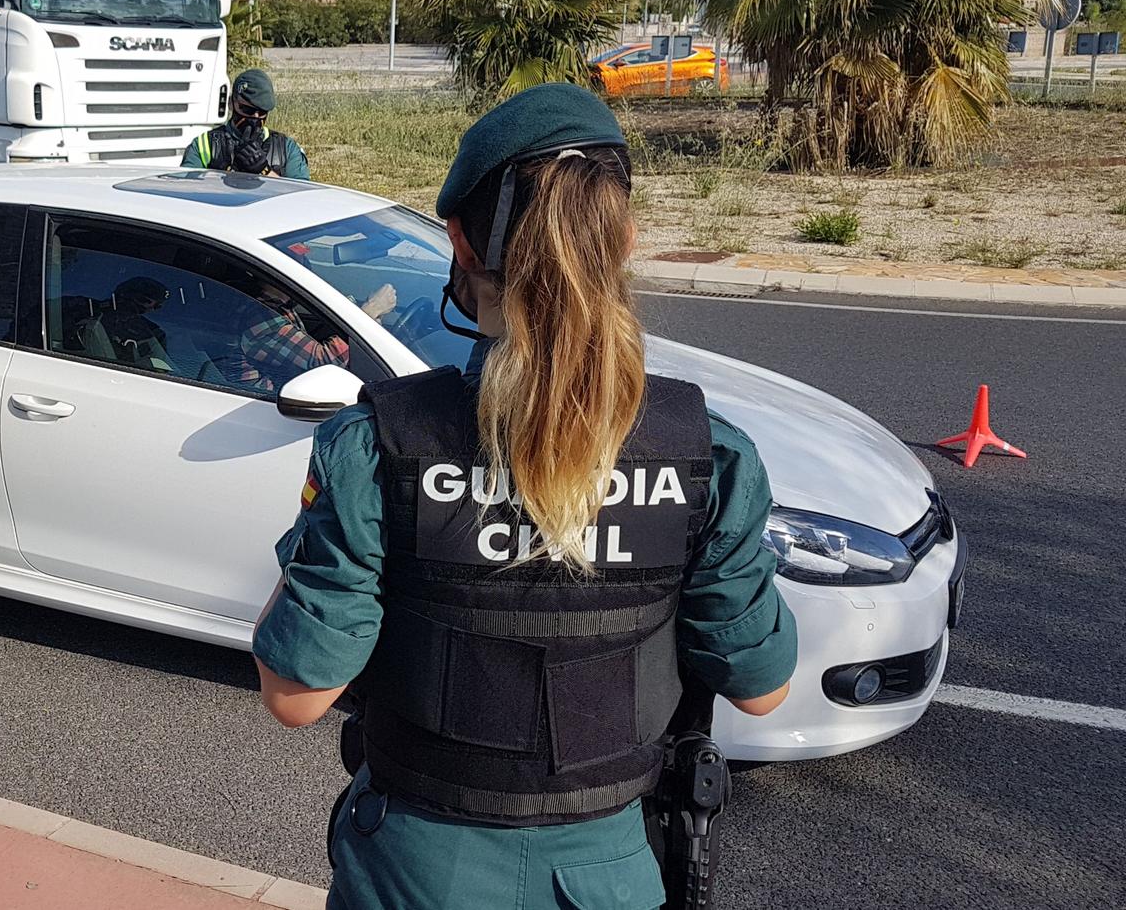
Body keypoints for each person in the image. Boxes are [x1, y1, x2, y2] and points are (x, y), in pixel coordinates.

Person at [250, 83, 797, 909]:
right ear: (622, 243)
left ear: (461, 244)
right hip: (608, 874)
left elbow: (297, 696)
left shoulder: (378, 446)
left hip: (413, 872)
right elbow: (761, 684)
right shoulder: (705, 455)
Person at [234, 280, 394, 393]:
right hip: (268, 404)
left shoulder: (277, 306)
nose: (304, 261)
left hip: (289, 388)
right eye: (299, 257)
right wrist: (370, 311)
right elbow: (325, 362)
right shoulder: (260, 316)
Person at [183, 69, 310, 178]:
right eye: (247, 110)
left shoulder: (285, 148)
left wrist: (265, 171)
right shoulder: (204, 145)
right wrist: (221, 175)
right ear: (230, 103)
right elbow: (187, 191)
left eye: (261, 112)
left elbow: (300, 199)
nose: (254, 117)